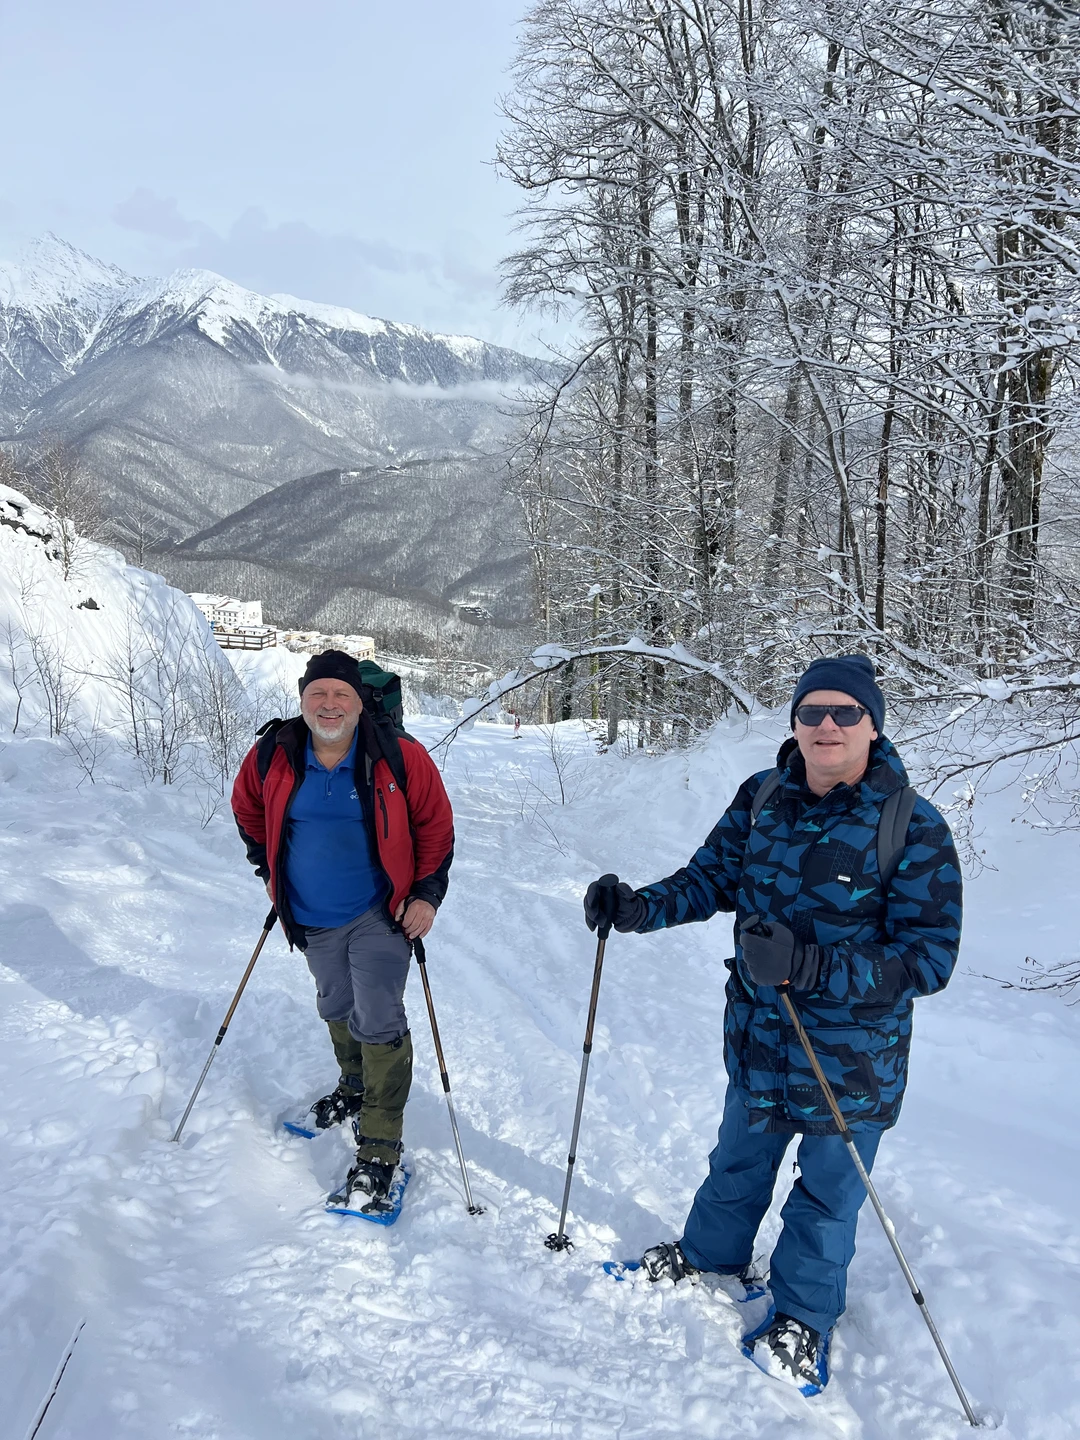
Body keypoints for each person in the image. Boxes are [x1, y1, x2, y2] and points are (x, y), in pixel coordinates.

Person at [583, 654, 961, 1393]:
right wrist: (637, 908)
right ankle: (713, 1258)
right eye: (813, 711)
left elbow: (927, 960)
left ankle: (802, 1318)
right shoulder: (761, 797)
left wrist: (813, 965)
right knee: (738, 1162)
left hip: (852, 1063)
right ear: (793, 721)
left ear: (872, 724)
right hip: (759, 1041)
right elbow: (710, 879)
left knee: (826, 1198)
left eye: (845, 713)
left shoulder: (910, 825)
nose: (827, 725)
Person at [231, 649, 454, 1205]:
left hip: (380, 913)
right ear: (303, 699)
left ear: (359, 704)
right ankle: (354, 1085)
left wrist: (426, 895)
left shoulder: (398, 757)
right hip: (309, 914)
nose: (329, 705)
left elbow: (435, 825)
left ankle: (379, 1146)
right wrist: (267, 867)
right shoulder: (273, 755)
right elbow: (247, 809)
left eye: (341, 696)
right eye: (318, 694)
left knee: (377, 1016)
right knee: (335, 1004)